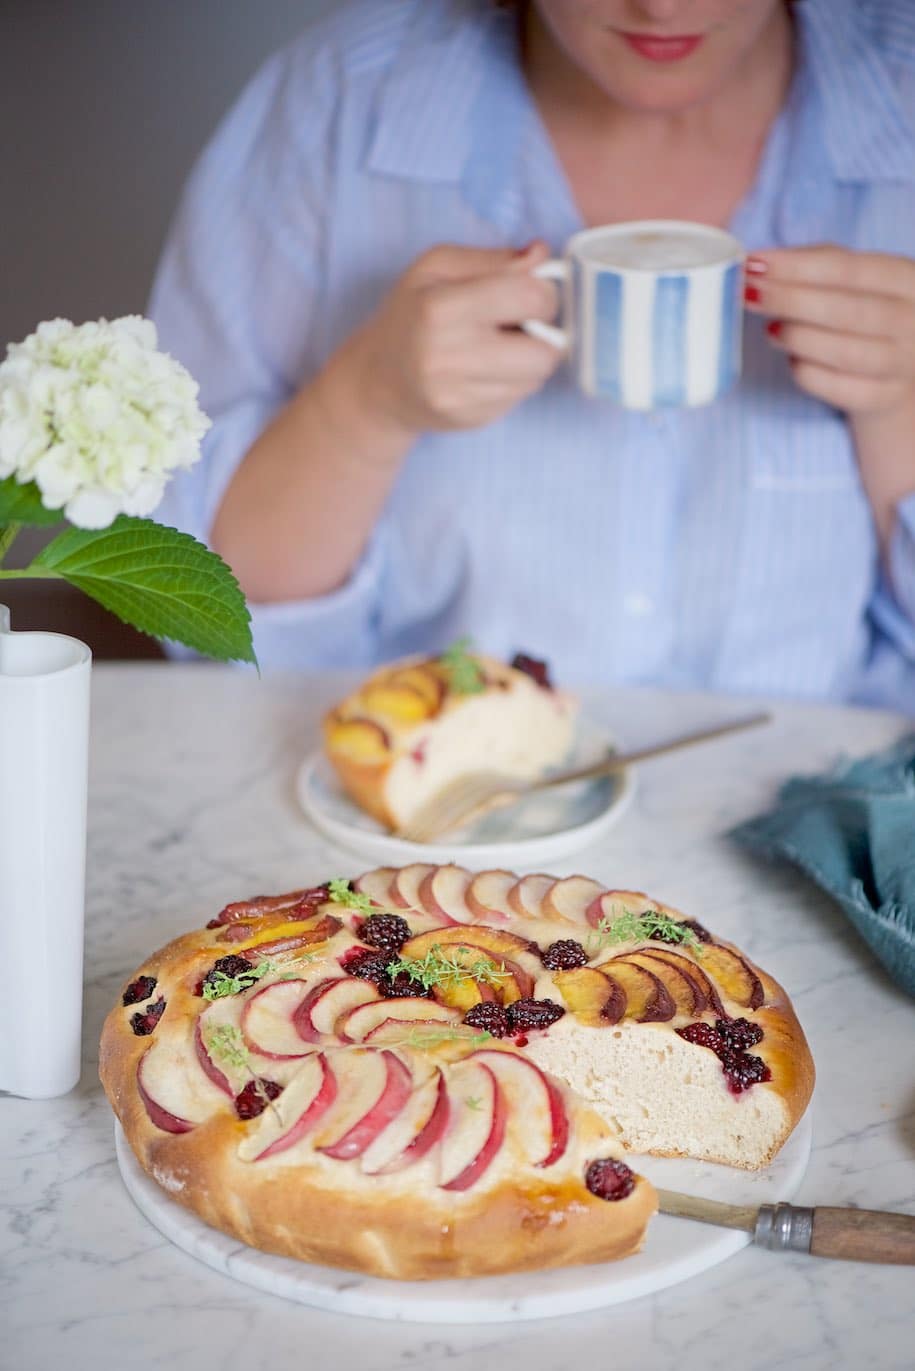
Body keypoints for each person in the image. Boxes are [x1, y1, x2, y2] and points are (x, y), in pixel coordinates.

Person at [151, 0, 915, 711]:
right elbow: (204, 624)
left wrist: (899, 407)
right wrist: (363, 406)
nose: (661, 6)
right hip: (424, 819)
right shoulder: (339, 103)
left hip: (824, 823)